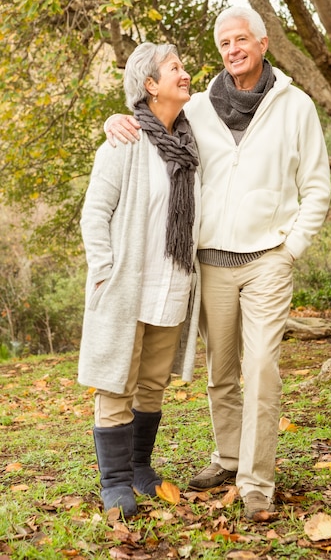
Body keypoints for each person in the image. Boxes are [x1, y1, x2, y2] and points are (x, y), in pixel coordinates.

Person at [104, 6, 331, 520]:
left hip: (267, 259)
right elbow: (150, 122)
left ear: (263, 42)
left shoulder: (295, 107)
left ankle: (256, 483)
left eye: (241, 40)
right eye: (224, 43)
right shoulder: (198, 108)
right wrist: (114, 117)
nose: (233, 49)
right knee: (221, 373)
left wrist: (290, 248)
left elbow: (317, 187)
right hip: (211, 263)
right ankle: (228, 457)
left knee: (261, 368)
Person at [78, 42, 201, 517]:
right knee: (116, 382)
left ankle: (139, 468)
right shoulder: (124, 142)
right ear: (151, 85)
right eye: (175, 69)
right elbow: (94, 214)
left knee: (152, 384)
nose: (184, 74)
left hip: (171, 283)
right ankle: (113, 482)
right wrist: (104, 272)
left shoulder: (191, 143)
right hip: (127, 285)